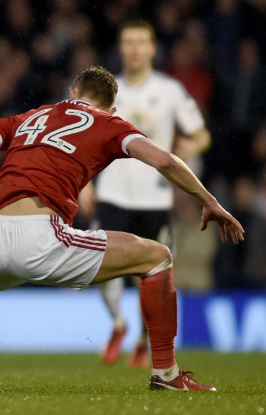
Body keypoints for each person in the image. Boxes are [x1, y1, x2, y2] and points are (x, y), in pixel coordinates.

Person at [0, 66, 243, 392]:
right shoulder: (110, 123)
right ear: (111, 108)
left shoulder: (33, 117)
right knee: (157, 257)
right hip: (40, 235)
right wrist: (209, 199)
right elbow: (164, 159)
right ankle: (166, 374)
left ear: (72, 93)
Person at [88, 20, 211, 367]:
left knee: (153, 274)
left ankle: (144, 340)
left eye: (141, 42)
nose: (135, 48)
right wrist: (85, 184)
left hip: (155, 198)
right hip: (112, 191)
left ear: (153, 49)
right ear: (121, 47)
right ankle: (118, 324)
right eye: (128, 42)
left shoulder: (170, 90)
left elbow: (202, 134)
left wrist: (191, 145)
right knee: (100, 265)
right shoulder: (107, 90)